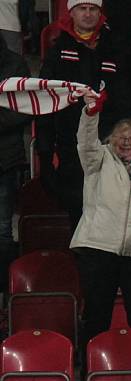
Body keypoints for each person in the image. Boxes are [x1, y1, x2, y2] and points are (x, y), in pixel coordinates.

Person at [37, 0, 131, 229]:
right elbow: (45, 109)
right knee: (81, 224)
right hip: (73, 155)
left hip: (118, 152)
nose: (88, 14)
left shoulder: (122, 49)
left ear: (100, 12)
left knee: (119, 221)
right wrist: (44, 156)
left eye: (93, 9)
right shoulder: (57, 54)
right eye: (82, 8)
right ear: (71, 12)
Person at [70, 91, 131, 349]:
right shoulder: (97, 159)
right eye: (121, 137)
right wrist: (90, 113)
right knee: (96, 319)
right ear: (111, 140)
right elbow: (85, 142)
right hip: (100, 249)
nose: (126, 142)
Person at [0, 32, 29, 288]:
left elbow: (23, 109)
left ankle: (2, 297)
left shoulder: (14, 64)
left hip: (4, 161)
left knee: (2, 232)